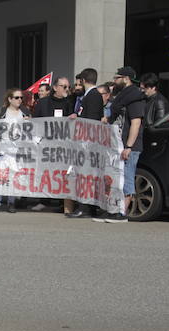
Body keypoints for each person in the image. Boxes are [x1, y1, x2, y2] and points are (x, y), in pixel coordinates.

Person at [102, 66, 146, 224]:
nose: (114, 81)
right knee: (117, 177)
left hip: (128, 145)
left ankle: (123, 212)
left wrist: (129, 146)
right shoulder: (122, 97)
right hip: (118, 143)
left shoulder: (134, 98)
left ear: (126, 79)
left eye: (117, 78)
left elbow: (136, 123)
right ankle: (115, 209)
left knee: (126, 177)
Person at [65, 68, 105, 218]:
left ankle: (84, 207)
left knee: (85, 175)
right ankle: (88, 207)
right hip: (86, 141)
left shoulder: (93, 96)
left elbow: (92, 120)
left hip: (88, 142)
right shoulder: (90, 96)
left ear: (83, 80)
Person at [0, 89, 29, 214]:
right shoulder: (1, 113)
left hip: (16, 151)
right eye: (16, 98)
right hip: (1, 151)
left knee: (14, 176)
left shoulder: (24, 113)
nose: (19, 100)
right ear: (10, 99)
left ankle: (11, 202)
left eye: (21, 98)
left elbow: (30, 133)